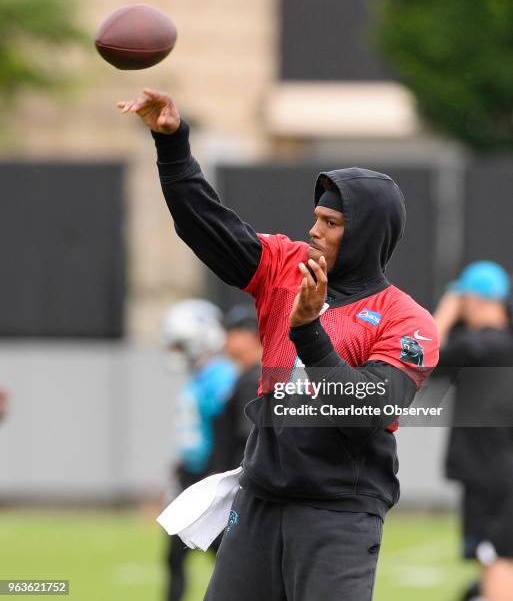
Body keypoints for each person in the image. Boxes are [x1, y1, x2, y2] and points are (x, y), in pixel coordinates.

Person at [118, 89, 439, 601]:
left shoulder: (407, 320)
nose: (313, 231)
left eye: (331, 224)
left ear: (365, 234)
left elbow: (369, 410)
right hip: (262, 499)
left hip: (339, 511)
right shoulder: (285, 268)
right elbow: (208, 227)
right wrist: (173, 145)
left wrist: (309, 332)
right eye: (316, 217)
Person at [433, 261, 513, 601]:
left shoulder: (477, 347)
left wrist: (445, 312)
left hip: (489, 472)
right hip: (502, 469)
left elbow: (421, 356)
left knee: (493, 555)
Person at [162, 299, 237, 601]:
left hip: (209, 477)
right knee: (175, 556)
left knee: (225, 556)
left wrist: (214, 472)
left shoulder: (220, 376)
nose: (178, 352)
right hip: (191, 476)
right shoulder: (200, 377)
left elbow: (224, 430)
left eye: (182, 345)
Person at [209, 305, 262, 473]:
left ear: (248, 335)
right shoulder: (249, 375)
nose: (226, 339)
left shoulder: (253, 380)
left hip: (242, 477)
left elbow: (250, 439)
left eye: (231, 333)